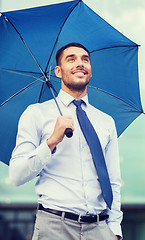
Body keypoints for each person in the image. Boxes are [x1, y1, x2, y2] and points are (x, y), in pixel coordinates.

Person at [9, 42, 123, 240]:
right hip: (54, 227)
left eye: (85, 59)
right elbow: (17, 175)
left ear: (90, 70)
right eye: (71, 59)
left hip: (100, 228)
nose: (80, 63)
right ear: (58, 71)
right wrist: (52, 141)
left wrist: (114, 229)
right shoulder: (36, 114)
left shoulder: (106, 121)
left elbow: (112, 180)